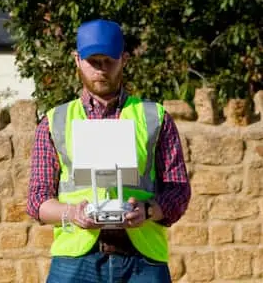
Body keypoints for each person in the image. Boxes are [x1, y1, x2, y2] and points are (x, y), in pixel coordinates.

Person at [26, 19, 192, 282]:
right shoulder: (54, 121)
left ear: (124, 59)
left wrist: (148, 211)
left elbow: (178, 192)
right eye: (94, 61)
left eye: (109, 61)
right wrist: (73, 214)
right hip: (75, 262)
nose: (101, 70)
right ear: (77, 60)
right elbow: (37, 199)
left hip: (143, 262)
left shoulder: (156, 117)